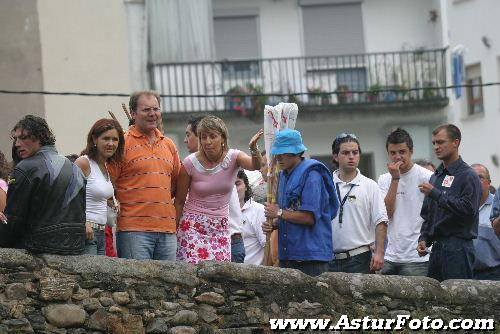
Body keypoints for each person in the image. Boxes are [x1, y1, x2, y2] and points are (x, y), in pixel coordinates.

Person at [175, 116, 263, 264]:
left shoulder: (234, 157)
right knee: (194, 275)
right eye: (203, 137)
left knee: (219, 278)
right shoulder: (190, 163)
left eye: (213, 136)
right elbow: (179, 201)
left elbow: (255, 166)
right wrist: (173, 231)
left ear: (223, 138)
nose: (208, 142)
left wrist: (254, 149)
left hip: (220, 227)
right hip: (192, 226)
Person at [108, 90, 182, 261]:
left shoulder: (169, 145)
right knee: (137, 285)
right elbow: (109, 184)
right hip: (133, 230)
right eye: (146, 110)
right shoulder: (121, 144)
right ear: (133, 113)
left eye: (156, 109)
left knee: (168, 285)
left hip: (167, 230)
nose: (152, 114)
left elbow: (174, 186)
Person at [0, 115, 86, 254]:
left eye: (23, 138)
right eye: (15, 139)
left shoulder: (26, 168)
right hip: (76, 246)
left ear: (39, 137)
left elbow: (14, 221)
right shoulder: (75, 168)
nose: (16, 144)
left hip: (39, 247)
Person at [263, 129, 339, 276]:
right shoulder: (283, 176)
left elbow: (309, 218)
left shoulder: (312, 176)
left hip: (310, 258)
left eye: (283, 152)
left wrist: (278, 212)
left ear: (296, 152)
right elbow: (289, 212)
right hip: (288, 255)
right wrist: (274, 224)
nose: (278, 157)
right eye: (277, 153)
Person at [417, 124, 481, 281]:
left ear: (456, 142)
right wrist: (424, 239)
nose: (436, 147)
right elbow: (428, 215)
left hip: (458, 248)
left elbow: (468, 210)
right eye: (434, 143)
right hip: (437, 249)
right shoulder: (436, 176)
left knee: (460, 300)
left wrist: (436, 194)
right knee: (434, 300)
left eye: (441, 142)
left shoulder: (468, 175)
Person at [329, 133, 388, 274]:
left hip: (360, 258)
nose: (351, 156)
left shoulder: (370, 185)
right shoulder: (326, 184)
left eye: (355, 152)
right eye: (345, 152)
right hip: (329, 259)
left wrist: (379, 253)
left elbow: (381, 220)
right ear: (336, 156)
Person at [378, 128, 433, 276]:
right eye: (393, 153)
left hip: (417, 257)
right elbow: (387, 213)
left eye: (402, 152)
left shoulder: (427, 176)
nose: (397, 157)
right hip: (391, 256)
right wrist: (395, 179)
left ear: (411, 152)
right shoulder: (384, 179)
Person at [75, 119, 125, 256]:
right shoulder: (83, 163)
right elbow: (69, 198)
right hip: (87, 232)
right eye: (106, 138)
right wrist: (83, 223)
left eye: (115, 139)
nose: (111, 143)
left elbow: (96, 193)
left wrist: (113, 202)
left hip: (102, 232)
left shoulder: (105, 167)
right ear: (94, 139)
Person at [471, 164, 500, 280]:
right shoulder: (460, 207)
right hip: (466, 272)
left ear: (489, 183)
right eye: (472, 177)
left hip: (493, 273)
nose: (476, 181)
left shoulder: (497, 207)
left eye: (480, 177)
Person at [235, 169, 266, 265]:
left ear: (246, 186)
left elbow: (267, 247)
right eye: (229, 185)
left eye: (237, 184)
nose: (234, 189)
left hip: (253, 274)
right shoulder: (221, 213)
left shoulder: (259, 211)